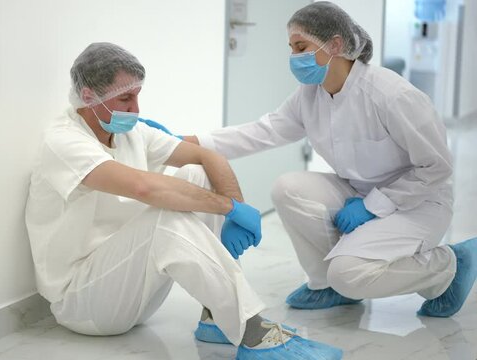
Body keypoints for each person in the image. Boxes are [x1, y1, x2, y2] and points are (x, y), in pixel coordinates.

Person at [144, 1, 477, 317]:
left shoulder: (391, 95)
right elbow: (263, 131)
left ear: (333, 45)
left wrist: (376, 204)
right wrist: (181, 142)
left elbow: (436, 167)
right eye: (291, 48)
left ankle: (448, 266)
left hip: (417, 203)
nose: (292, 57)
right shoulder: (310, 95)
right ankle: (327, 286)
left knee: (350, 273)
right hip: (359, 191)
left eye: (300, 47)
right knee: (288, 187)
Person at [25, 42, 343, 359]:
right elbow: (143, 188)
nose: (136, 109)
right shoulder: (63, 141)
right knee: (164, 219)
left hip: (130, 287)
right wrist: (229, 207)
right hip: (84, 303)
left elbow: (208, 156)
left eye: (137, 95)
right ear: (89, 96)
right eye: (125, 98)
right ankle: (252, 330)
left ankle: (216, 317)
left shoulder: (129, 133)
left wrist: (236, 205)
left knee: (197, 174)